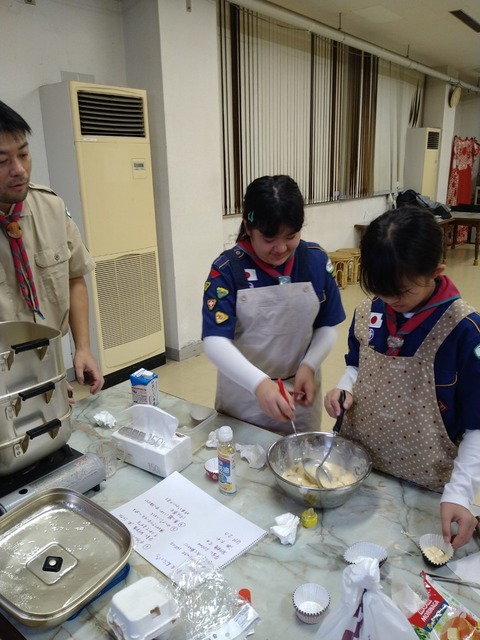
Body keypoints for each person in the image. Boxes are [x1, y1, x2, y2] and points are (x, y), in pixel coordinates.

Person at [324, 207, 480, 549]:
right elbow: (357, 365)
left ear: (435, 272)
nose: (389, 300)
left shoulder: (464, 331)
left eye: (402, 291)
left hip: (424, 485)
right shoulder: (369, 312)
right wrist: (344, 388)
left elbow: (477, 426)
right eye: (379, 290)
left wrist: (459, 493)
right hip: (358, 471)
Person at [202, 175, 346, 432]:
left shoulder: (314, 260)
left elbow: (327, 325)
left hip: (300, 393)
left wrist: (309, 364)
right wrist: (259, 384)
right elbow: (215, 341)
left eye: (291, 236)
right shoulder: (227, 269)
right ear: (248, 227)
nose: (280, 248)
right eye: (269, 240)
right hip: (244, 394)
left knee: (300, 455)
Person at [0, 100, 103, 396]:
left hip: (49, 362)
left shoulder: (51, 207)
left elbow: (74, 277)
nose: (19, 170)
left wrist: (82, 348)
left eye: (23, 154)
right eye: (2, 161)